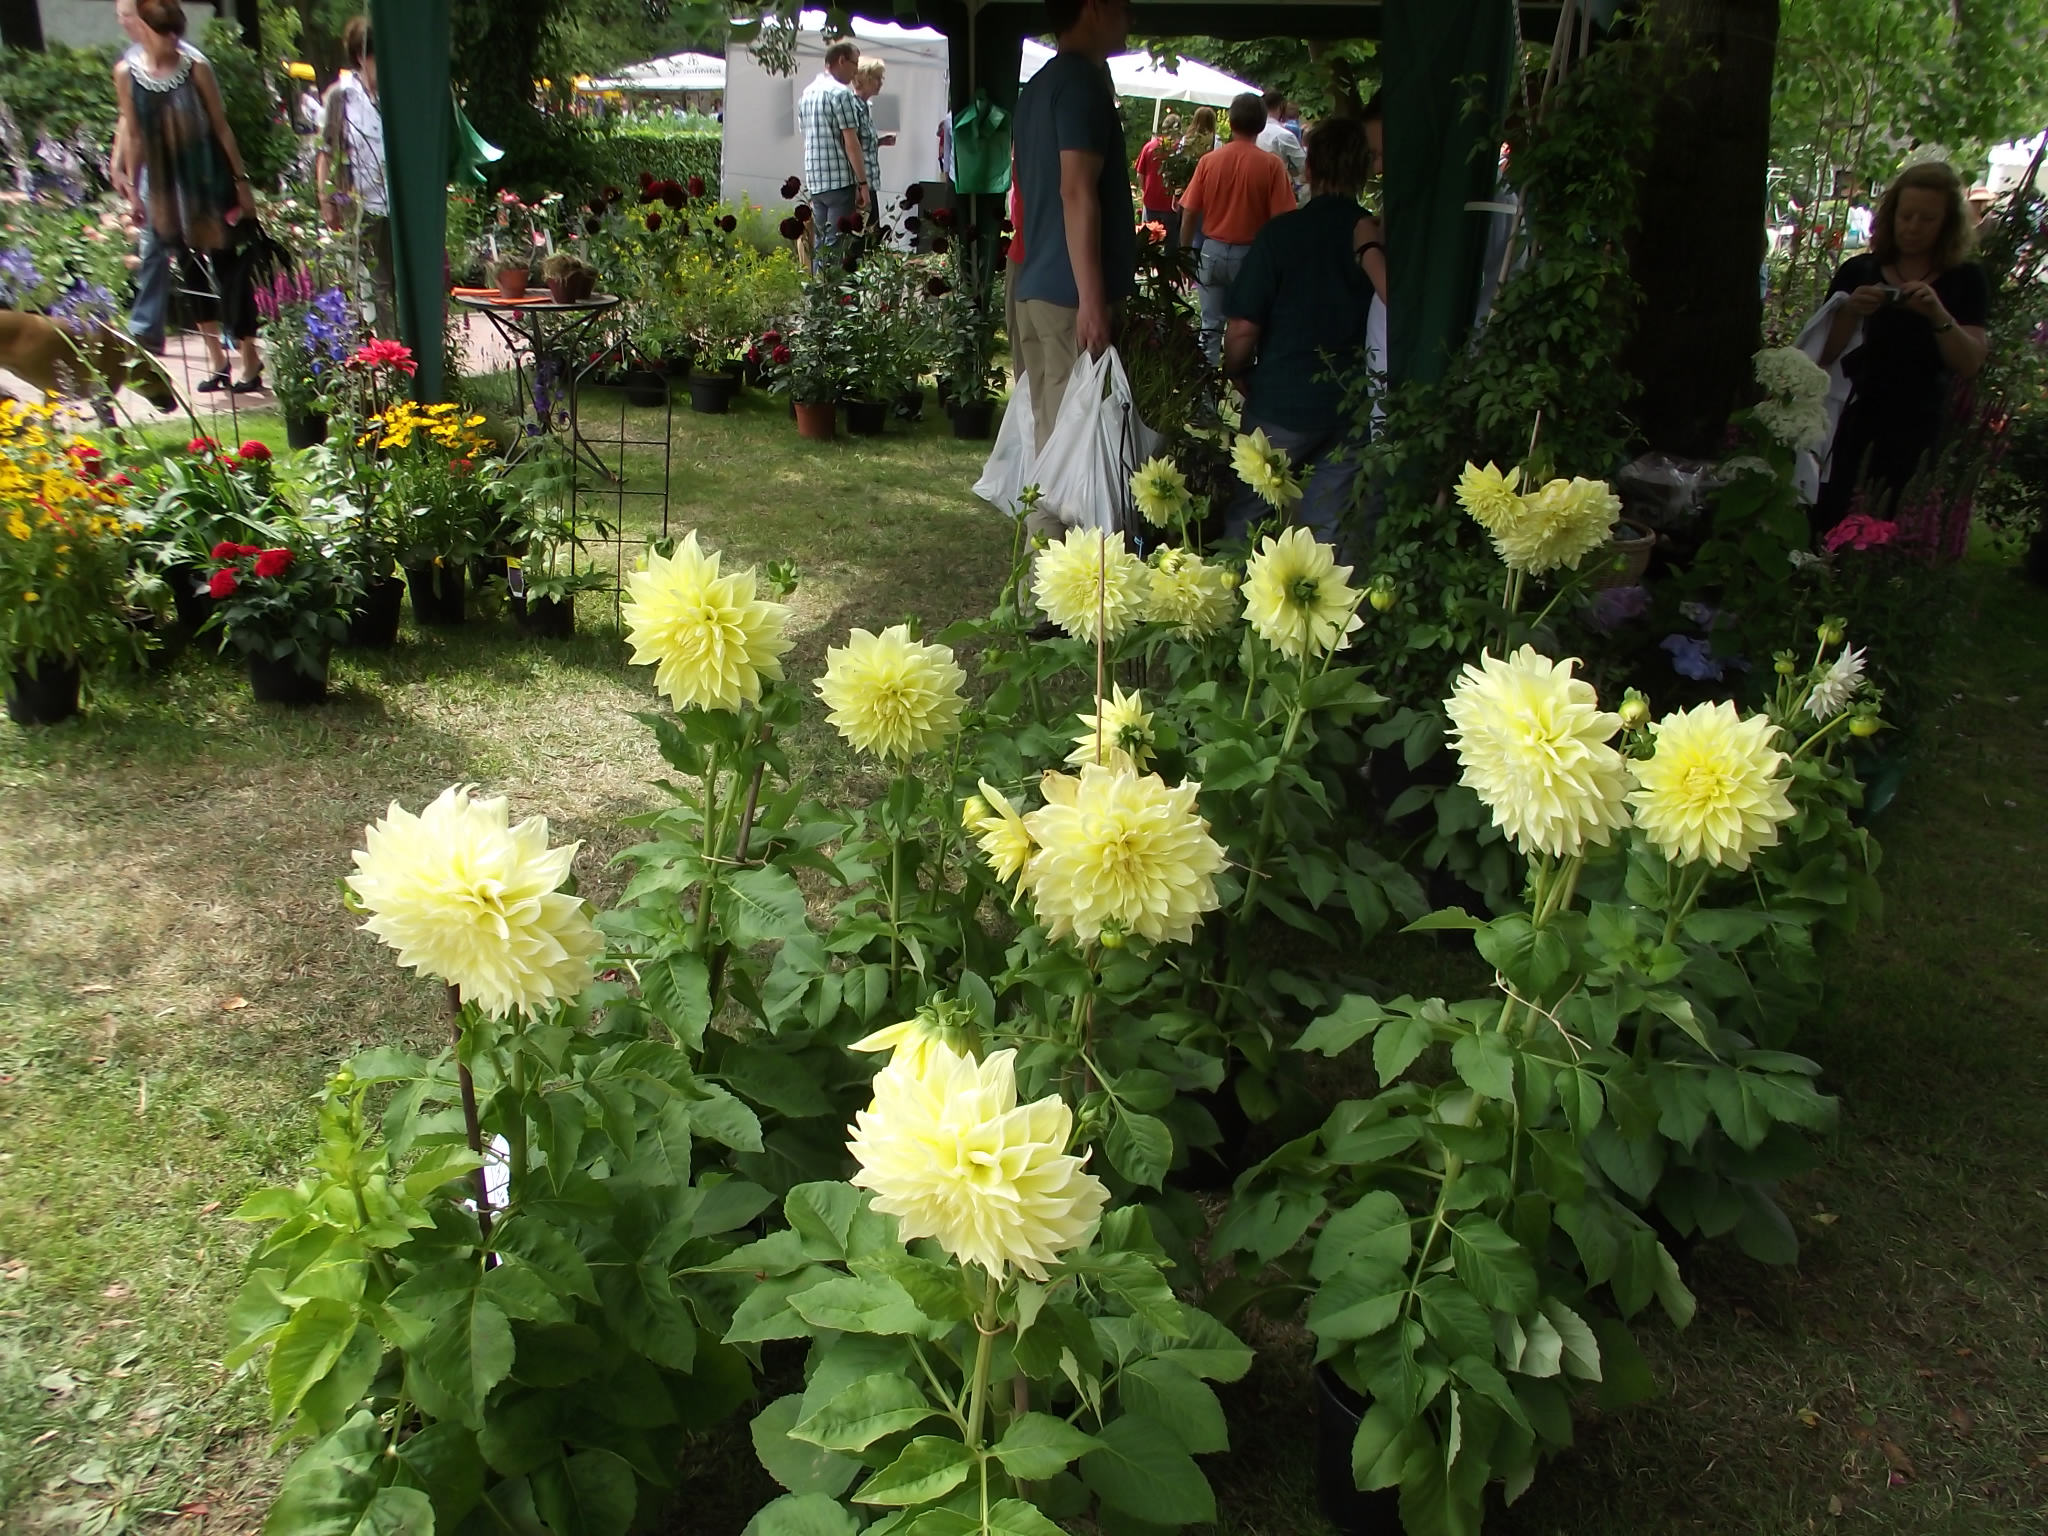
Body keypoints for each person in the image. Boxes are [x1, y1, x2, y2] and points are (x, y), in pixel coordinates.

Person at [1221, 116, 1386, 554]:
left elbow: (1242, 327)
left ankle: (1222, 604)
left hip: (1281, 399)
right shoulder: (1375, 237)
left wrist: (1234, 369)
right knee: (1328, 530)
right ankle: (1319, 617)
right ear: (1364, 172)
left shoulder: (1281, 234)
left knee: (1250, 512)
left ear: (1309, 169)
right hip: (1350, 403)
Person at [1815, 160, 1988, 537]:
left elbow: (1970, 361)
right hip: (1848, 425)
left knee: (1891, 533)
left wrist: (1936, 313)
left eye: (1927, 219)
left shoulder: (1966, 280)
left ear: (1947, 223)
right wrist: (1850, 312)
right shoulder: (1858, 271)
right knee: (1828, 526)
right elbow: (1822, 356)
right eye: (1906, 215)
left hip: (1915, 430)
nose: (1912, 227)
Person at [112, 0, 261, 391]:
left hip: (209, 181)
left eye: (178, 31)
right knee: (189, 269)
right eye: (166, 33)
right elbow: (135, 134)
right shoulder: (126, 74)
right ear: (144, 28)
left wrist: (242, 182)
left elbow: (221, 127)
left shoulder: (196, 68)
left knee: (229, 269)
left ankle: (250, 357)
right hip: (165, 188)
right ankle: (215, 361)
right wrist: (134, 193)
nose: (174, 40)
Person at [1012, 0, 1135, 453]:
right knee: (1078, 450)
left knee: (1049, 442)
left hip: (1038, 286)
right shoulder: (1082, 85)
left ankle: (1043, 527)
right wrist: (1091, 299)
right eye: (1124, 5)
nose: (1131, 17)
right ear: (1093, 8)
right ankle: (1060, 528)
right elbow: (1076, 191)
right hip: (1069, 299)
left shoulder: (1038, 86)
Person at [1178, 93, 1294, 365]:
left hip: (1211, 251)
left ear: (1230, 121)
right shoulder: (1271, 165)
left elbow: (1189, 212)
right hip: (1252, 256)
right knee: (1250, 330)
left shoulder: (1210, 161)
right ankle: (1246, 396)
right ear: (1262, 123)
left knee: (1209, 328)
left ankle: (1206, 400)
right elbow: (1282, 223)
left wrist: (1184, 255)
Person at [315, 17, 394, 336]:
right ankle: (392, 357)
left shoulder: (396, 93)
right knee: (379, 286)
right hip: (363, 207)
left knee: (405, 281)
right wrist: (326, 199)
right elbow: (327, 150)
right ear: (362, 57)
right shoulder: (341, 96)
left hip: (399, 206)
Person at [797, 40, 868, 267]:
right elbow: (851, 143)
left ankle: (820, 298)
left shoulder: (807, 94)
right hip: (839, 180)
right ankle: (837, 299)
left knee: (821, 245)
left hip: (816, 180)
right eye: (854, 64)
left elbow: (806, 134)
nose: (856, 70)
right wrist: (863, 183)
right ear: (841, 60)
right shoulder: (841, 94)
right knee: (837, 246)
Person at [852, 57, 898, 231]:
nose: (880, 83)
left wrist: (880, 142)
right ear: (864, 79)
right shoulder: (853, 107)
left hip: (870, 182)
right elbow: (850, 146)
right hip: (860, 184)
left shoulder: (866, 107)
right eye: (877, 78)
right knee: (864, 236)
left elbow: (861, 144)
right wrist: (859, 186)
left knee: (872, 234)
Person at [1135, 113, 1180, 247]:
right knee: (1170, 246)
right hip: (1171, 205)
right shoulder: (1179, 150)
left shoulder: (1149, 147)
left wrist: (1145, 190)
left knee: (1147, 243)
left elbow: (1139, 174)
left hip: (1151, 201)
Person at [1256, 89, 1306, 200]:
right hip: (1279, 191)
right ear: (1281, 106)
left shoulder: (1252, 132)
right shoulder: (1284, 135)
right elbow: (1304, 165)